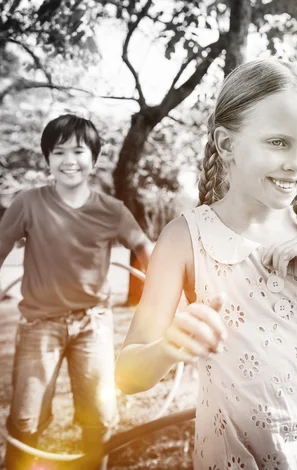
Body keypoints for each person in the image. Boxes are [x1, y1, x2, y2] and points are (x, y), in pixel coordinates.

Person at [114, 59, 297, 470]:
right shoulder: (184, 237)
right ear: (227, 144)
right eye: (278, 142)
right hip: (228, 456)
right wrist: (167, 347)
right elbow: (127, 375)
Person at [0, 114, 153, 470]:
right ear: (48, 159)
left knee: (99, 417)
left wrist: (172, 291)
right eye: (59, 152)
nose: (69, 160)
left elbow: (147, 252)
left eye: (79, 151)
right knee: (26, 419)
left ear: (94, 158)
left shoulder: (112, 211)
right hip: (40, 324)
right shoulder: (28, 203)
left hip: (93, 325)